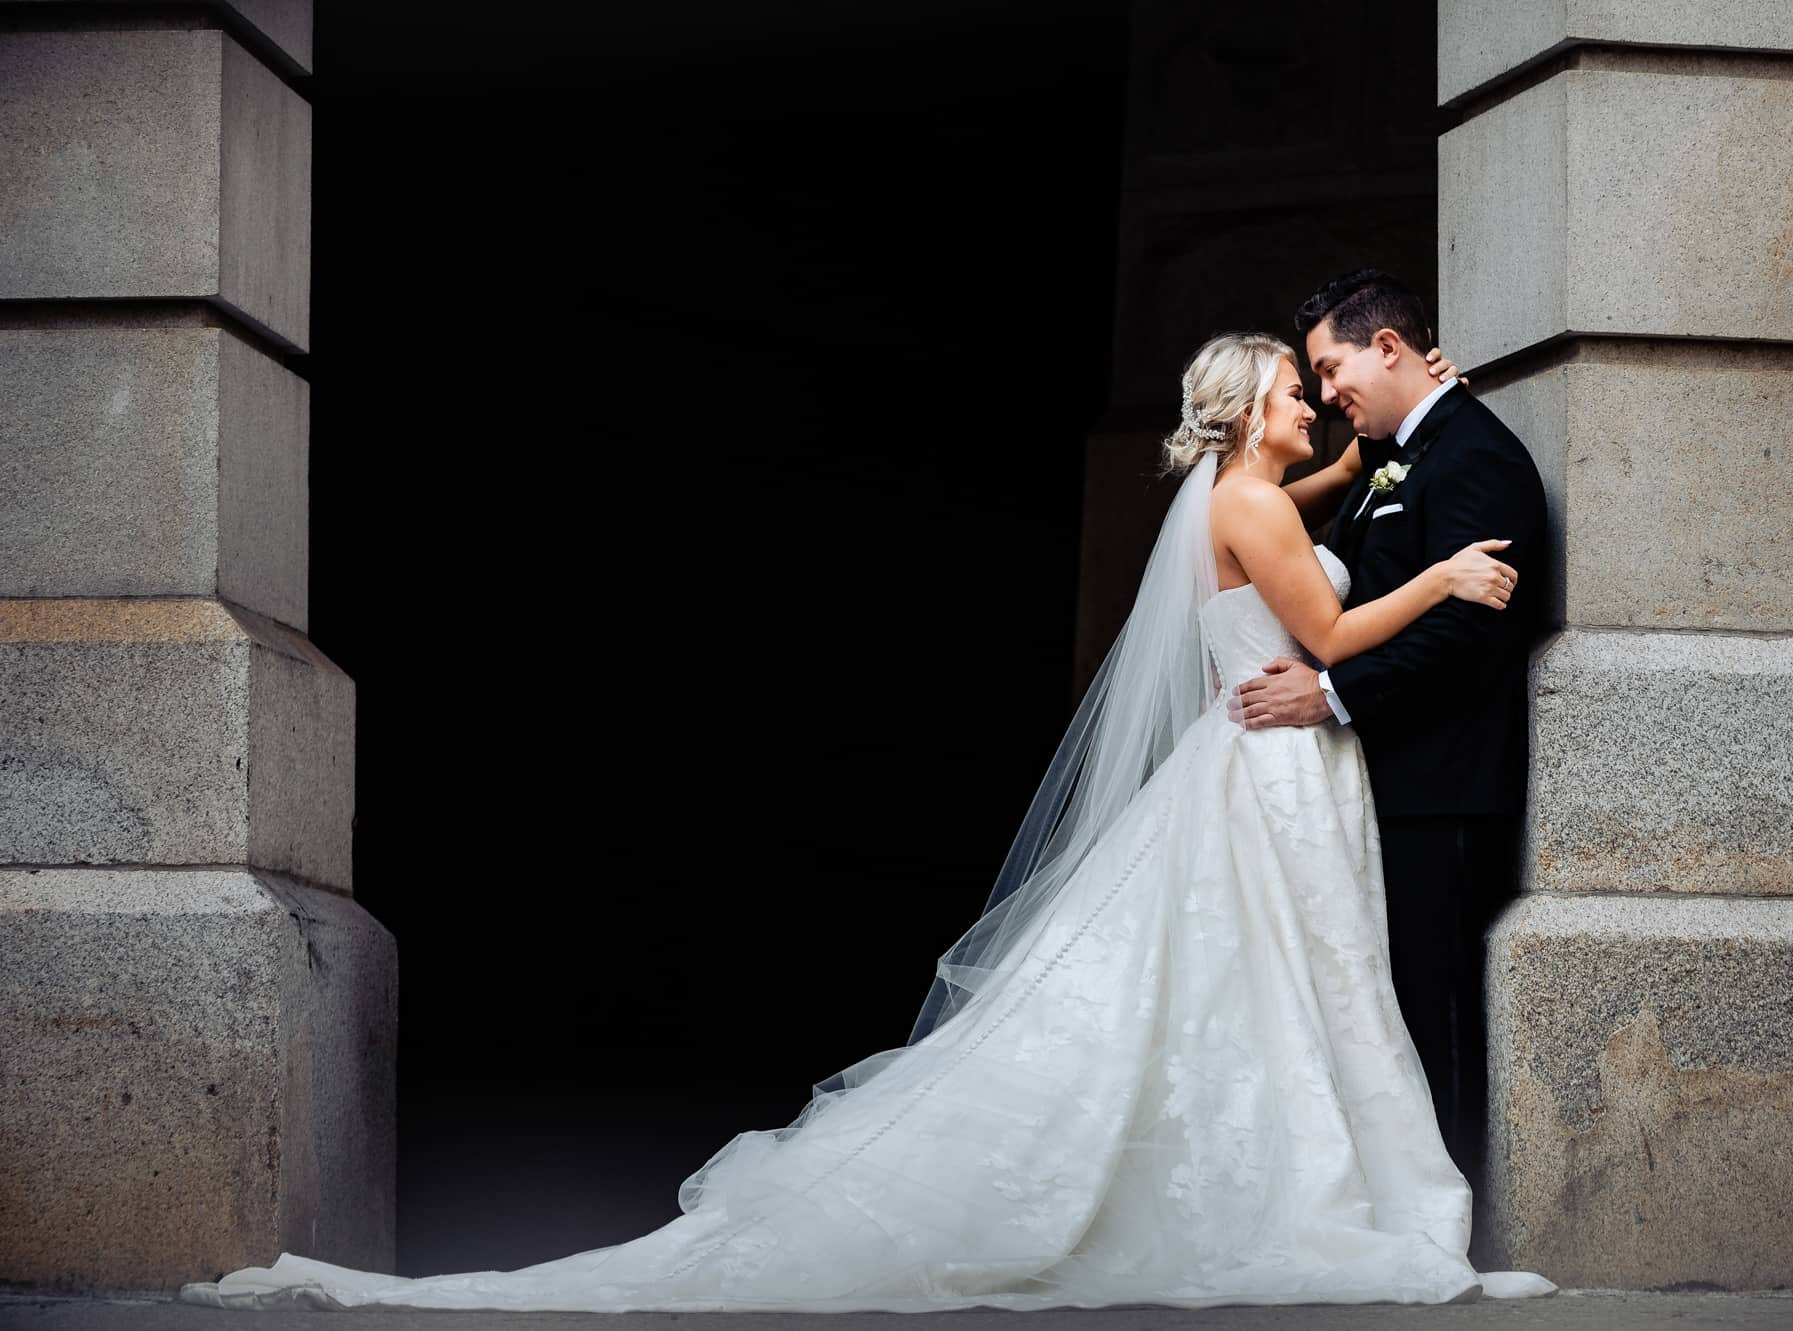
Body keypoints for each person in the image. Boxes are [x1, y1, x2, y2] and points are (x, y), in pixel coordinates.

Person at [180, 332, 1553, 1313]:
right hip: (1267, 771)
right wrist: (1439, 571)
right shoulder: (1256, 500)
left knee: (1250, 983)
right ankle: (1312, 1186)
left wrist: (1379, 457)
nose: (1317, 404)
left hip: (1246, 769)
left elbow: (1290, 512)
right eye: (1300, 393)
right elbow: (1326, 627)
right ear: (1257, 410)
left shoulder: (1234, 495)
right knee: (1281, 978)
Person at [1230, 269, 1549, 1193]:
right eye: (1313, 383)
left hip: (1441, 785)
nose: (1329, 396)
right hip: (1388, 779)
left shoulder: (1473, 456)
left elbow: (1467, 631)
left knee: (1434, 1005)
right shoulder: (1391, 458)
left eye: (1334, 371)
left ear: (1389, 347)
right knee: (1393, 1007)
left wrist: (1330, 694)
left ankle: (1461, 1216)